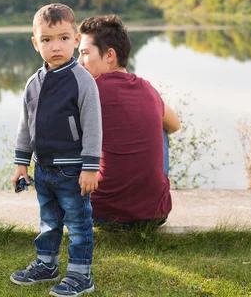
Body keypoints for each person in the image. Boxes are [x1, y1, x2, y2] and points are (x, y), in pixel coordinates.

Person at [10, 3, 102, 297]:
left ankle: (80, 274)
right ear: (36, 44)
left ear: (76, 40)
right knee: (48, 220)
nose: (56, 46)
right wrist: (21, 164)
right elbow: (26, 126)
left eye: (64, 38)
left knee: (78, 222)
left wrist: (90, 167)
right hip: (44, 169)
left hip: (74, 169)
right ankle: (47, 264)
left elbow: (93, 126)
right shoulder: (33, 83)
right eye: (47, 40)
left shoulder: (82, 80)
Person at [77, 15, 181, 230]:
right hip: (155, 214)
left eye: (85, 53)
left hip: (102, 213)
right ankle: (145, 197)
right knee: (160, 129)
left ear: (110, 55)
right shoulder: (148, 89)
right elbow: (175, 125)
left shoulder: (89, 91)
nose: (79, 62)